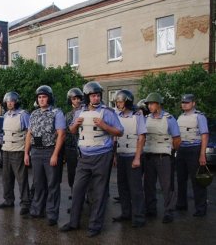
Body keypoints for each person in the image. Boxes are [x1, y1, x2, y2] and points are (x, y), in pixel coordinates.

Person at [60, 81, 123, 238]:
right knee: (77, 189)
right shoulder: (78, 112)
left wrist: (104, 125)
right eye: (93, 96)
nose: (96, 98)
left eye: (98, 96)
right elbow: (72, 131)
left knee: (99, 193)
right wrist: (75, 125)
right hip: (84, 157)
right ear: (87, 97)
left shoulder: (107, 112)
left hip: (102, 156)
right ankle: (74, 222)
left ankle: (95, 225)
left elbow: (119, 132)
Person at [24, 85, 66, 226]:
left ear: (49, 97)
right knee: (38, 183)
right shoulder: (34, 114)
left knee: (52, 184)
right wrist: (26, 153)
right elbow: (29, 133)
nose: (42, 100)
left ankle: (52, 214)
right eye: (39, 97)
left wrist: (55, 154)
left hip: (50, 151)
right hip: (35, 151)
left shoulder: (56, 112)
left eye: (44, 97)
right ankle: (37, 210)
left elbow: (61, 134)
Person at [143, 92, 181, 223]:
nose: (149, 106)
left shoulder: (169, 119)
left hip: (163, 156)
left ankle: (169, 212)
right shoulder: (146, 118)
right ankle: (151, 209)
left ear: (158, 104)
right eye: (148, 104)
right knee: (148, 185)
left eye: (151, 104)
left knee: (167, 185)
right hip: (149, 155)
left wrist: (171, 151)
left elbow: (177, 139)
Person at [113, 90, 146, 228]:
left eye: (120, 101)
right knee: (122, 186)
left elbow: (142, 137)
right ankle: (126, 213)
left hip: (133, 155)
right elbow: (114, 137)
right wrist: (114, 155)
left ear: (127, 101)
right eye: (117, 102)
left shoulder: (138, 116)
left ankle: (138, 217)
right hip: (121, 154)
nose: (118, 104)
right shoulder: (116, 115)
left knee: (136, 188)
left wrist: (137, 158)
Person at [0, 92, 31, 215]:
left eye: (12, 101)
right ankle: (8, 200)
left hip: (18, 150)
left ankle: (26, 203)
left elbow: (29, 133)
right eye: (8, 101)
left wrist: (27, 152)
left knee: (21, 178)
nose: (10, 103)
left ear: (16, 102)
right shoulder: (6, 115)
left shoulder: (23, 115)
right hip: (6, 149)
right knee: (6, 178)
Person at [176, 94, 209, 217]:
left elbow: (205, 135)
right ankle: (181, 204)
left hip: (194, 149)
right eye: (183, 102)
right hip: (181, 149)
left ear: (193, 103)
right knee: (180, 179)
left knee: (197, 181)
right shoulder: (180, 117)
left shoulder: (199, 117)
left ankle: (200, 208)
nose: (184, 104)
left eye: (187, 102)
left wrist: (202, 154)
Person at [64, 88, 83, 212]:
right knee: (72, 174)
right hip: (70, 148)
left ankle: (83, 197)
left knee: (84, 175)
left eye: (78, 98)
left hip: (83, 148)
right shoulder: (68, 114)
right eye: (74, 99)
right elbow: (65, 131)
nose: (76, 101)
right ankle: (74, 193)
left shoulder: (86, 112)